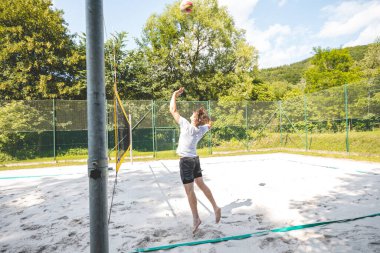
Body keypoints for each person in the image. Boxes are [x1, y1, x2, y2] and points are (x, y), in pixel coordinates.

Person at [169, 87, 221, 234]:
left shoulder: (186, 125)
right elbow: (210, 124)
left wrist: (174, 94)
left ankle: (196, 218)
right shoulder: (201, 129)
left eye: (193, 114)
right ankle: (215, 207)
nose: (191, 114)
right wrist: (206, 117)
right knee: (201, 185)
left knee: (190, 191)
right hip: (195, 160)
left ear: (194, 119)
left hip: (186, 161)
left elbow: (173, 109)